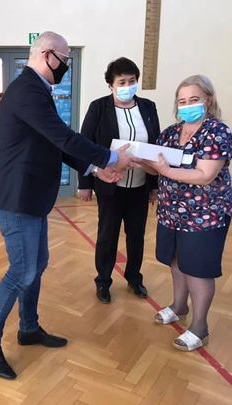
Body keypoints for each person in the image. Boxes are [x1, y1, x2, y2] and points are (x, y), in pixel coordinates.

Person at [0, 31, 132, 380]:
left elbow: (53, 144)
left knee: (37, 264)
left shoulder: (36, 90)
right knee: (22, 270)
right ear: (47, 54)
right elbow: (64, 137)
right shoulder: (27, 91)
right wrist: (109, 158)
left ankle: (28, 328)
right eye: (64, 59)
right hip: (18, 199)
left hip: (31, 197)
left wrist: (94, 169)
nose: (66, 66)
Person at [140, 75, 232, 352]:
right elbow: (159, 167)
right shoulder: (171, 133)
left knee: (198, 269)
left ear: (208, 100)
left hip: (205, 214)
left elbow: (205, 175)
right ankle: (179, 305)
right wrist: (138, 161)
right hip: (172, 210)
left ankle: (200, 327)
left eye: (194, 99)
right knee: (176, 260)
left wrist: (165, 170)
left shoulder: (217, 132)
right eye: (182, 101)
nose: (187, 105)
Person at [77, 57, 160, 303]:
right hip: (110, 185)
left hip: (140, 185)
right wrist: (85, 183)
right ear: (111, 85)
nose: (127, 86)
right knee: (107, 236)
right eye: (121, 82)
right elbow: (84, 146)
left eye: (131, 81)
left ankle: (134, 277)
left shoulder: (148, 107)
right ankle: (103, 281)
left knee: (136, 235)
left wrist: (154, 187)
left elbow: (155, 146)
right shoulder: (99, 108)